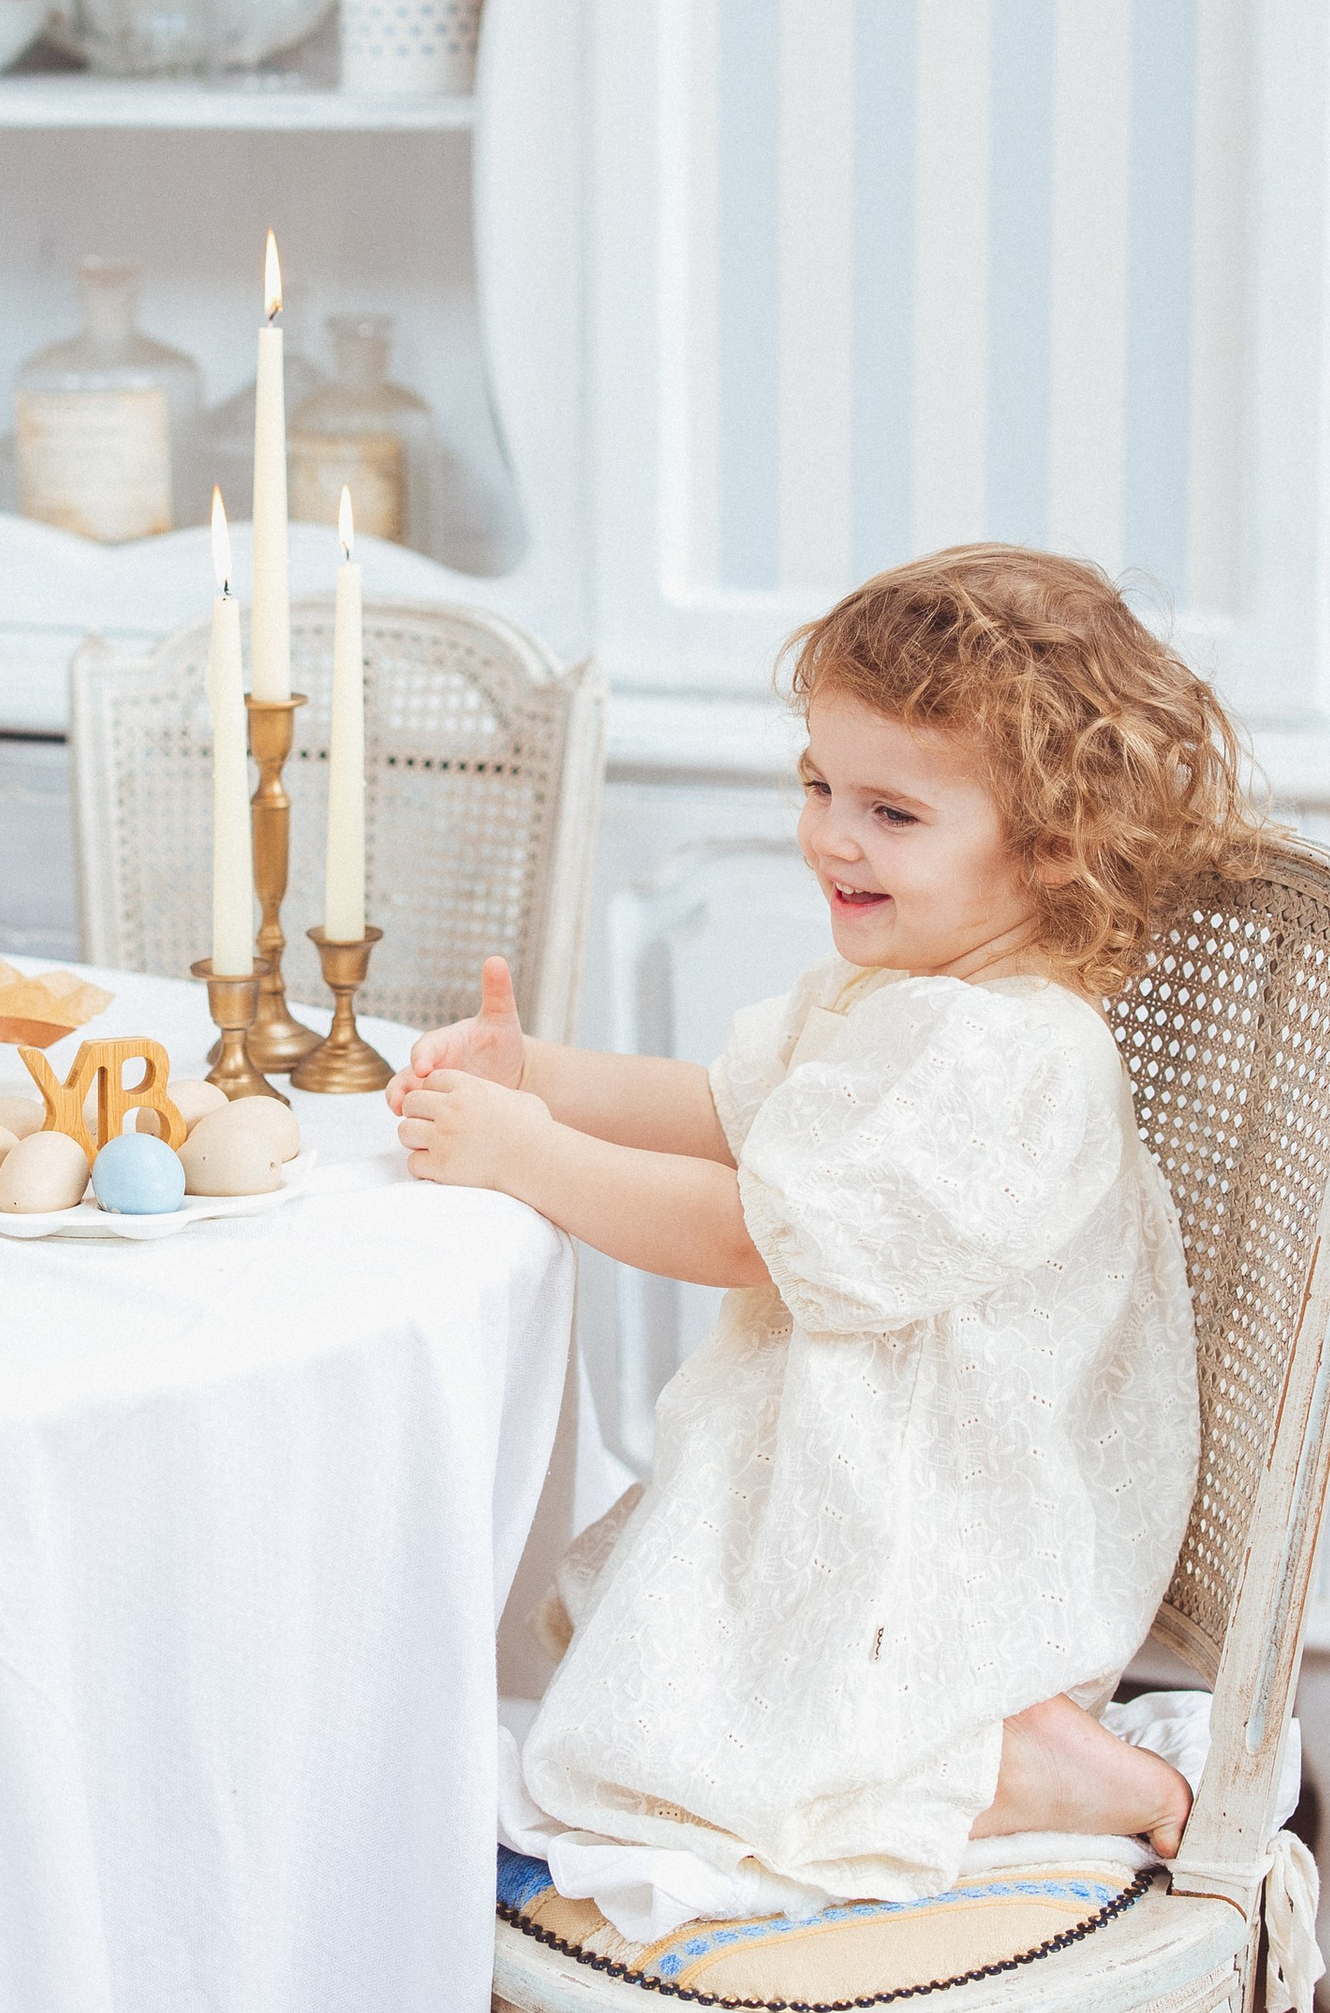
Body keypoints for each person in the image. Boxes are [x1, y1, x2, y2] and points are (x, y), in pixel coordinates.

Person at [392, 545, 1271, 1911]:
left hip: (961, 1516)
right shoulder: (903, 994)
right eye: (817, 784)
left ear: (1050, 847)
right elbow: (735, 1112)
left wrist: (533, 1158)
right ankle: (973, 1745)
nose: (831, 836)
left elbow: (755, 1235)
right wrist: (541, 1076)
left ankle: (1006, 1758)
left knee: (712, 1753)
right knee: (651, 1671)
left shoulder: (1012, 1056)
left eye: (892, 812)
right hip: (864, 1460)